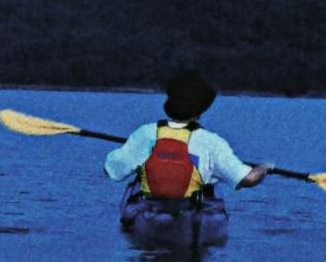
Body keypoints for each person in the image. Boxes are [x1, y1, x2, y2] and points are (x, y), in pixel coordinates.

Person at [104, 70, 270, 200]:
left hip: (150, 213)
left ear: (168, 105)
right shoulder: (211, 142)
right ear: (200, 112)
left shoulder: (146, 133)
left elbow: (111, 170)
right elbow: (247, 179)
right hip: (191, 214)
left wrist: (134, 151)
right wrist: (264, 168)